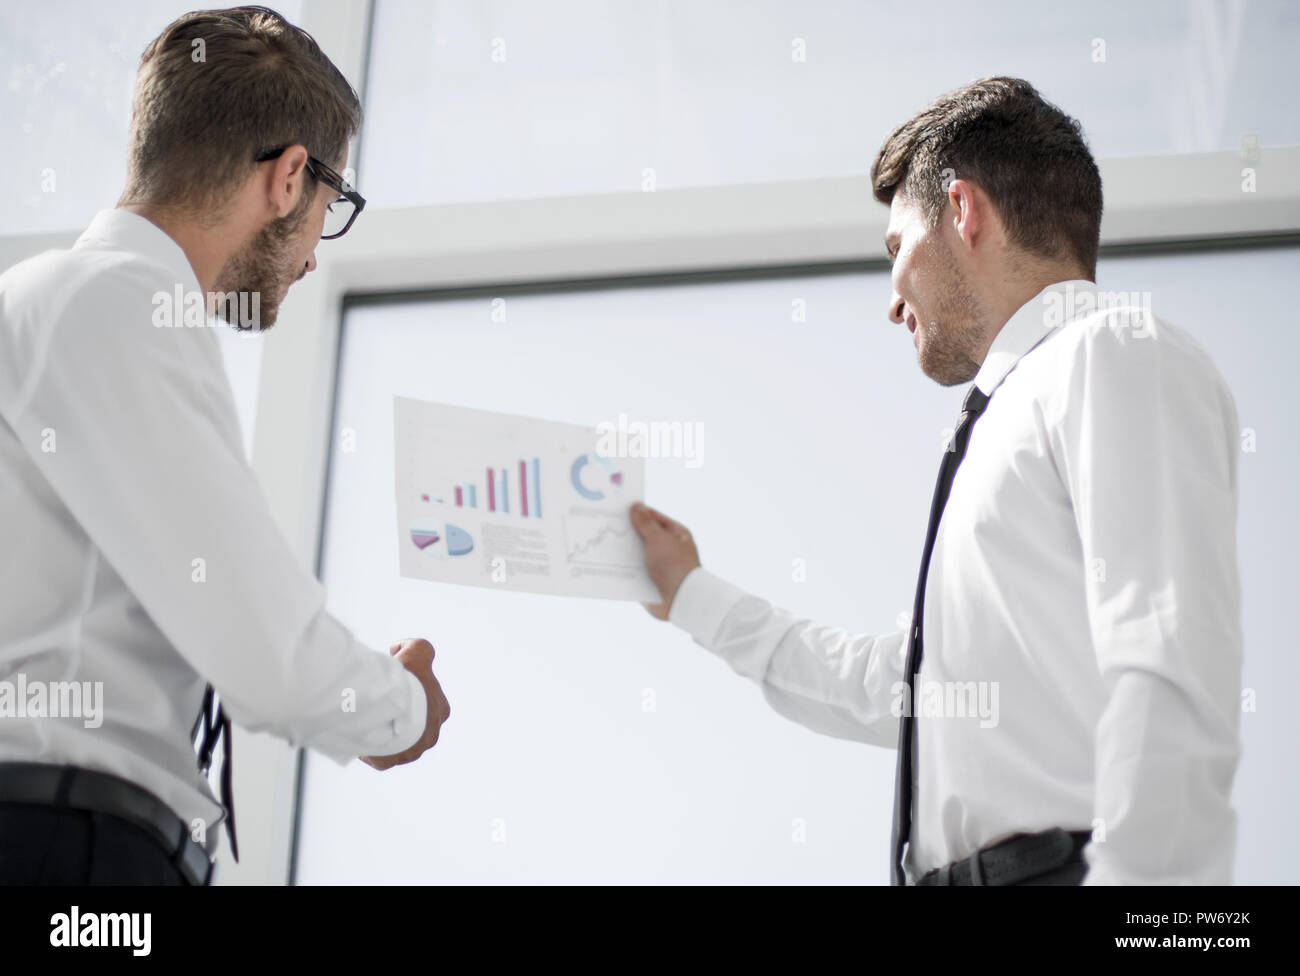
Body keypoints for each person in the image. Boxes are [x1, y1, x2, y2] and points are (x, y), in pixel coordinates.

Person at [631, 76, 1243, 886]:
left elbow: (1169, 662)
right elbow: (914, 687)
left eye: (896, 250)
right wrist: (693, 596)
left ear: (962, 212)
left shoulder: (1112, 353)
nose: (892, 300)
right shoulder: (1011, 416)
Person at [0, 6, 450, 886]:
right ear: (289, 179)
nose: (317, 252)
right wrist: (404, 709)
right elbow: (269, 657)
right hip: (62, 847)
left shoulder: (65, 302)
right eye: (334, 202)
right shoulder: (116, 304)